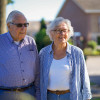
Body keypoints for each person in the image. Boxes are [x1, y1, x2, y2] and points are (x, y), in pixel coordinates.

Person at [39, 17, 92, 100]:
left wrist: (87, 97)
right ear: (51, 33)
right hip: (49, 96)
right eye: (58, 30)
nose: (62, 33)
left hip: (70, 96)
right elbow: (38, 77)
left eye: (65, 30)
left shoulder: (77, 53)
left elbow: (84, 77)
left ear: (69, 33)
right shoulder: (43, 53)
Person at [0, 10, 40, 100]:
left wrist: (38, 93)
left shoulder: (31, 42)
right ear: (9, 26)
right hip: (5, 94)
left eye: (25, 24)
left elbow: (37, 70)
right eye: (19, 25)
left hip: (30, 92)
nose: (23, 28)